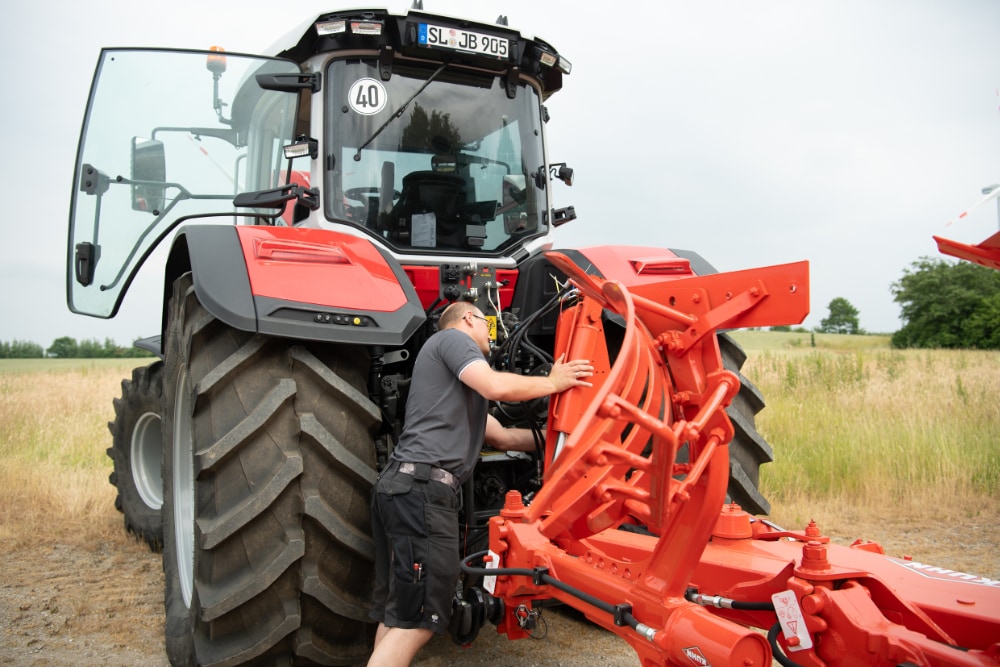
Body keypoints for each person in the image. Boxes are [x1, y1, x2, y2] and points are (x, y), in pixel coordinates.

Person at [367, 301, 594, 667]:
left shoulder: (452, 387)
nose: (491, 333)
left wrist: (564, 445)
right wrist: (553, 382)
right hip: (423, 492)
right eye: (487, 325)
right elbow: (495, 385)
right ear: (470, 318)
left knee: (400, 614)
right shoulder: (453, 339)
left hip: (401, 489)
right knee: (423, 619)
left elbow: (502, 437)